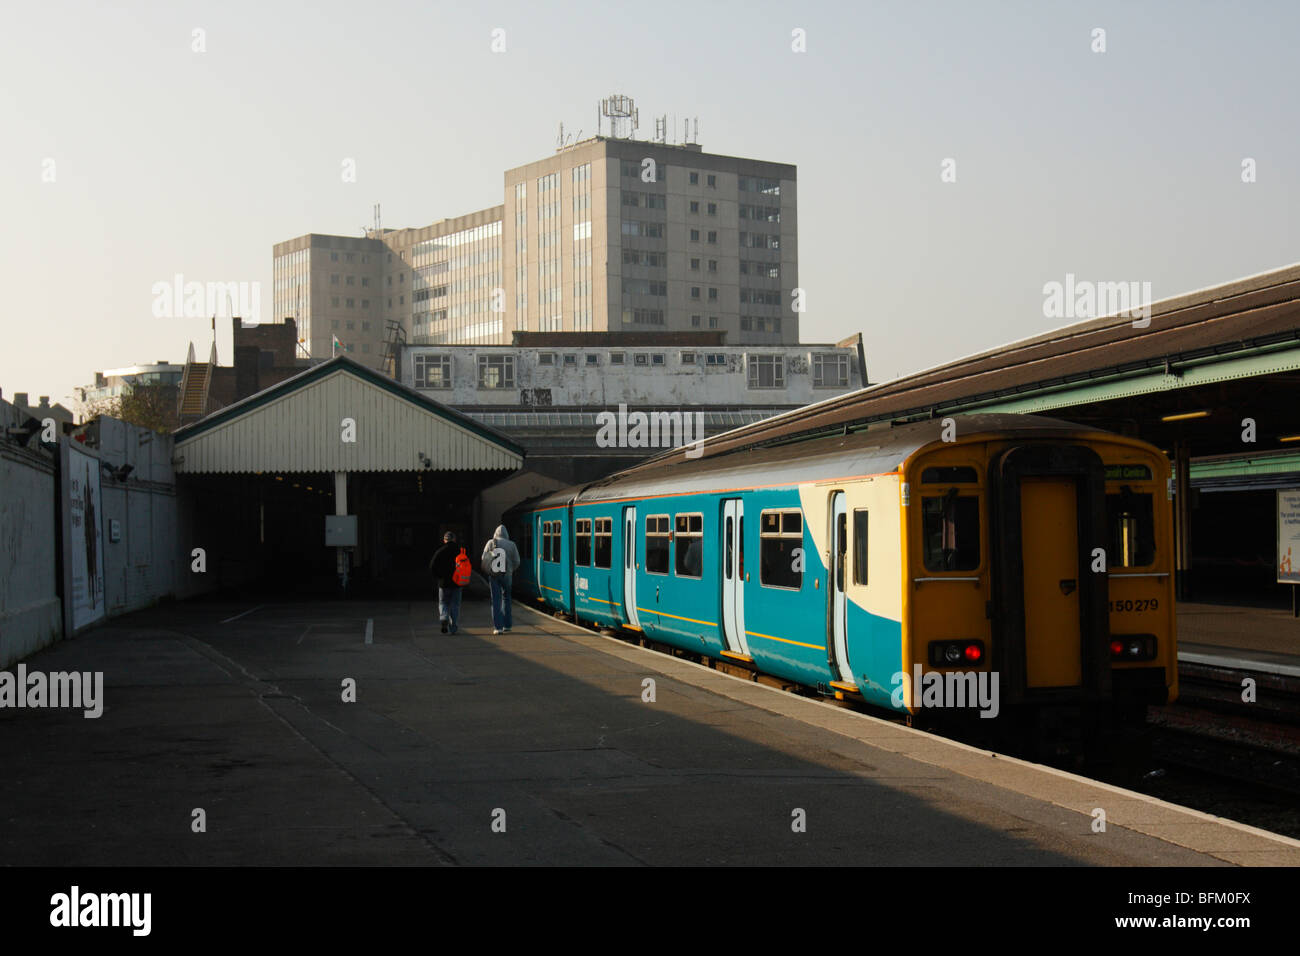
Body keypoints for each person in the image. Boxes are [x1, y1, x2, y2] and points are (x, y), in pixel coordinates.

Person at [481, 524, 521, 634]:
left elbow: (484, 558)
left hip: (493, 575)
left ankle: (498, 628)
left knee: (496, 600)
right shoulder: (512, 545)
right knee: (506, 599)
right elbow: (517, 561)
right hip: (507, 575)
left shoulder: (490, 543)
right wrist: (510, 570)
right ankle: (507, 626)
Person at [429, 531, 463, 634]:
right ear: (454, 539)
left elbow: (432, 566)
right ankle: (453, 628)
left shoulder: (439, 551)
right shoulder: (460, 551)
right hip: (457, 583)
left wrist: (438, 577)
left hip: (443, 583)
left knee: (443, 603)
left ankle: (444, 617)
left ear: (444, 540)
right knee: (455, 605)